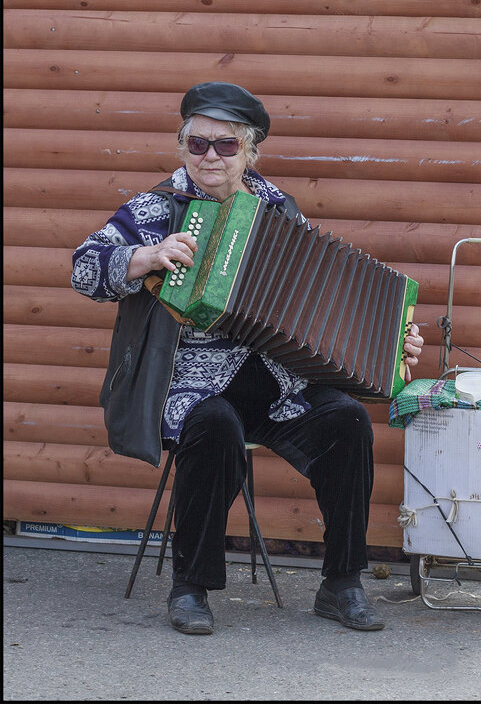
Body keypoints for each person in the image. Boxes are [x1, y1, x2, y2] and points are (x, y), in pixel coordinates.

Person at [71, 81, 424, 635]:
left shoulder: (280, 210)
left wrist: (388, 341)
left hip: (279, 389)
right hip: (192, 386)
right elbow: (84, 269)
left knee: (348, 421)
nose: (210, 156)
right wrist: (144, 255)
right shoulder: (156, 208)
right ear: (182, 145)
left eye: (226, 145)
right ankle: (191, 588)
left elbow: (323, 301)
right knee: (211, 425)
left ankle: (341, 583)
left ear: (250, 151)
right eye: (197, 143)